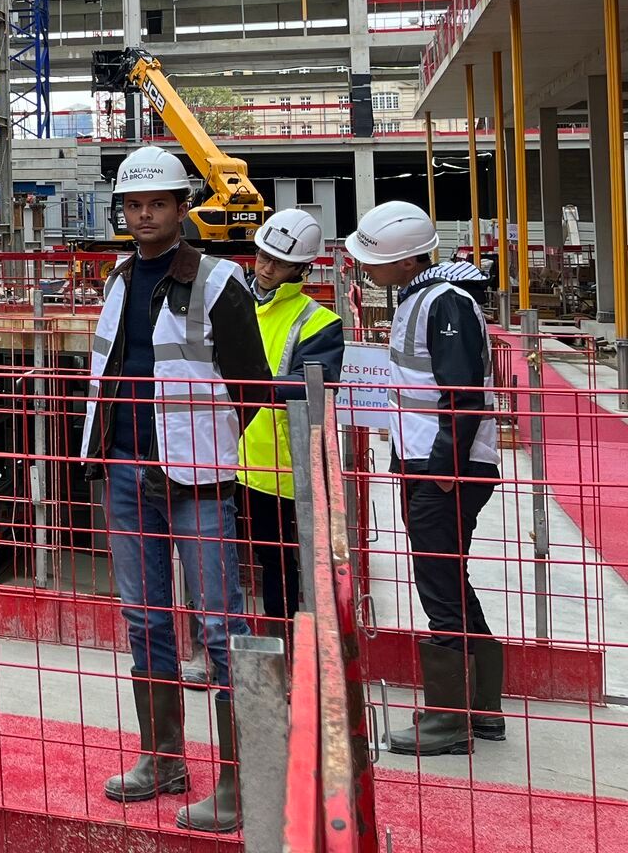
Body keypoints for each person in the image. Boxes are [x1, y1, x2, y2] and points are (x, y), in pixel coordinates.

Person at [85, 145, 268, 833]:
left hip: (197, 480)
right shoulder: (120, 278)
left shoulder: (220, 280)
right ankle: (162, 757)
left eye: (157, 203)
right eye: (134, 205)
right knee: (146, 620)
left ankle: (244, 779)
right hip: (129, 472)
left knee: (222, 626)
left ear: (181, 208)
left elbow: (250, 385)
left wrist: (206, 444)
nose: (143, 216)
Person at [346, 201, 501, 756]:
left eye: (374, 258)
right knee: (448, 579)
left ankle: (450, 718)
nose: (367, 266)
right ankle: (480, 709)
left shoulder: (444, 303)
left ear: (406, 261)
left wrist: (441, 473)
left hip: (447, 469)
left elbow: (462, 398)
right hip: (433, 464)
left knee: (438, 583)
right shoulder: (426, 299)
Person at [236, 208, 345, 626]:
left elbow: (312, 385)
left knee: (277, 564)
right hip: (222, 456)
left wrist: (243, 383)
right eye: (262, 256)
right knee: (219, 554)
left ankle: (284, 640)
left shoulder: (318, 322)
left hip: (275, 468)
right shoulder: (233, 301)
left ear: (300, 268)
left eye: (278, 262)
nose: (265, 267)